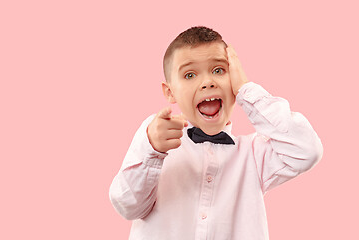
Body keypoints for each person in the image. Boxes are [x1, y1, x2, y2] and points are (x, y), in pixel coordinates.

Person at [109, 26, 323, 240]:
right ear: (170, 92)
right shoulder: (154, 140)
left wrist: (246, 90)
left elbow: (307, 150)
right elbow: (127, 206)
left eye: (219, 70)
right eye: (190, 74)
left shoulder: (255, 155)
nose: (207, 82)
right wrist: (151, 150)